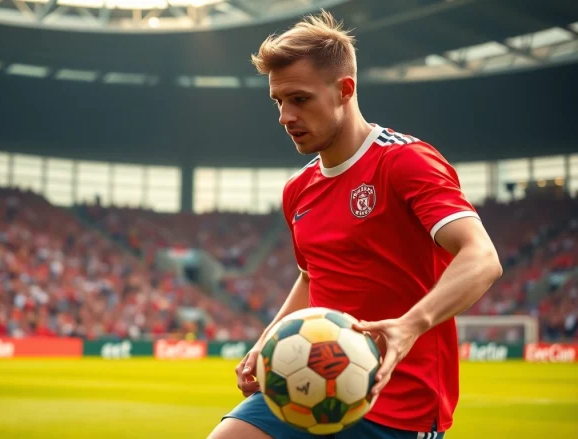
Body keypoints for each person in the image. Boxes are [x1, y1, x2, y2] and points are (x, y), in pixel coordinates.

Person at [207, 10, 502, 439]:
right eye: (278, 101)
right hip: (309, 384)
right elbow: (312, 277)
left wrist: (409, 325)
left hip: (399, 404)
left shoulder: (404, 162)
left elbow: (483, 257)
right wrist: (264, 343)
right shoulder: (298, 190)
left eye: (300, 99)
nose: (284, 116)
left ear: (344, 90)